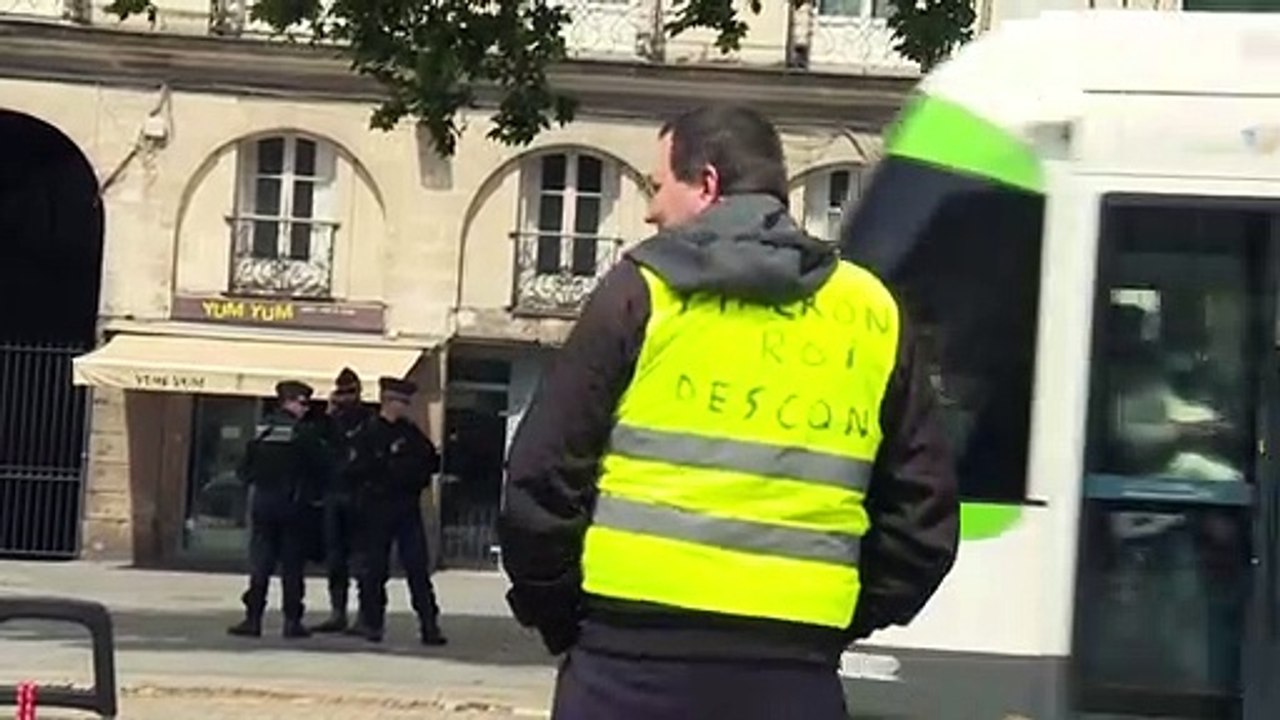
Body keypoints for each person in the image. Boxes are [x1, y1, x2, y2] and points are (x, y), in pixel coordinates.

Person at [498, 104, 960, 719]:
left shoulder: (641, 292)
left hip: (626, 665)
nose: (648, 210)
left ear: (708, 183)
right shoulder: (872, 310)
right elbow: (924, 522)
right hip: (792, 672)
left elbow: (539, 479)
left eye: (658, 186)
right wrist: (833, 625)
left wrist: (566, 620)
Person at [228, 380, 334, 639]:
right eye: (303, 403)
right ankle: (292, 621)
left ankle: (253, 619)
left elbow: (243, 469)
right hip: (293, 505)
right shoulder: (302, 433)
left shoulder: (262, 430)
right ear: (289, 401)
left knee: (260, 564)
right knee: (292, 566)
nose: (305, 409)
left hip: (263, 503)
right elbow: (323, 466)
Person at [349, 377, 447, 645]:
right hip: (376, 508)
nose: (404, 406)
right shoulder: (368, 432)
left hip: (406, 507)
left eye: (406, 402)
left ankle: (429, 625)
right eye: (400, 401)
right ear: (386, 401)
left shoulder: (410, 433)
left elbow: (430, 462)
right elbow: (355, 470)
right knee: (374, 571)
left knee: (417, 569)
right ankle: (372, 624)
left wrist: (405, 471)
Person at [311, 367, 377, 634]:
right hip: (335, 495)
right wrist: (328, 412)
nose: (346, 398)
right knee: (335, 558)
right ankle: (338, 612)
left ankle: (365, 617)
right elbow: (317, 447)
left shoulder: (369, 420)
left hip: (360, 497)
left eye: (350, 392)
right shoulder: (330, 422)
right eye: (342, 393)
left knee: (362, 561)